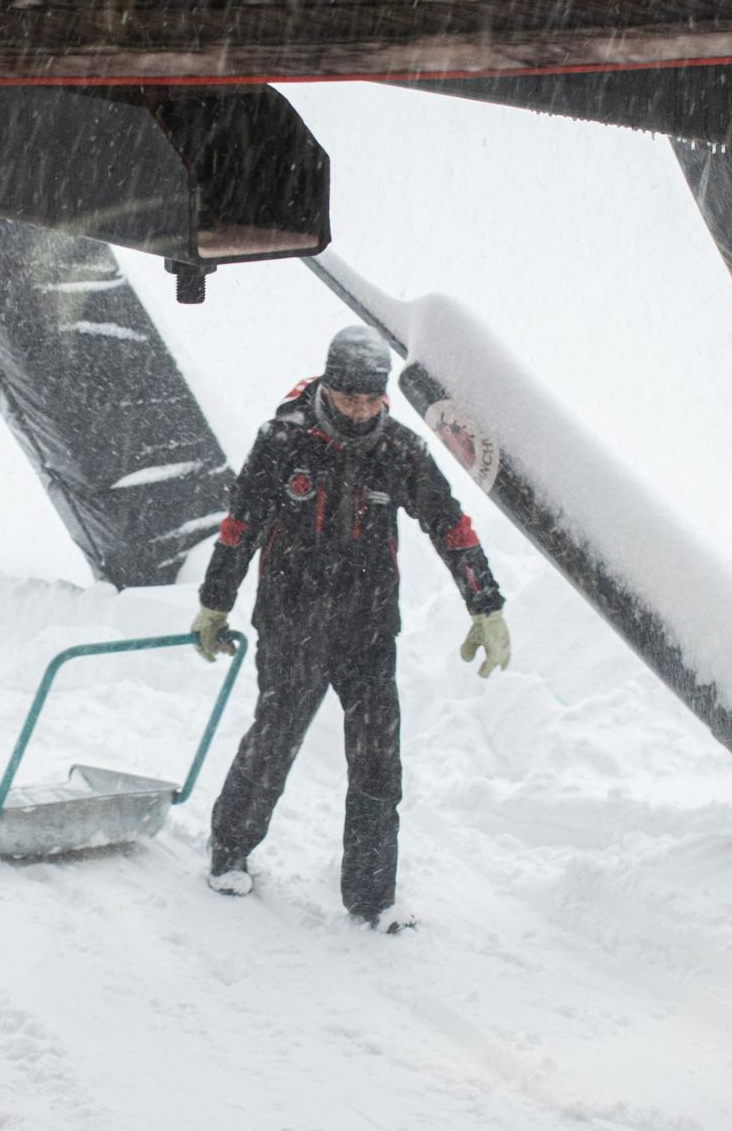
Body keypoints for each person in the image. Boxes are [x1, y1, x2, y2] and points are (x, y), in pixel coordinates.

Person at [188, 325, 509, 932]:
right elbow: (241, 524)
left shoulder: (402, 452)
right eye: (349, 399)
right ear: (328, 388)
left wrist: (484, 605)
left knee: (378, 764)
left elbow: (450, 525)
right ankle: (229, 850)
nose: (360, 411)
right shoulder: (283, 441)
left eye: (371, 400)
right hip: (290, 623)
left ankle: (370, 899)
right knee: (275, 739)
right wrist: (215, 602)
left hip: (367, 630)